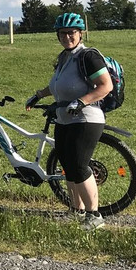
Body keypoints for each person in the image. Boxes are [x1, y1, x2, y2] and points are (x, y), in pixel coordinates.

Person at [25, 12, 114, 231]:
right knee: (67, 165)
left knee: (79, 165)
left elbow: (106, 85)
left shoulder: (89, 56)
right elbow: (58, 85)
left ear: (80, 33)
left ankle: (95, 216)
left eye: (71, 32)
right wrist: (39, 95)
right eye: (62, 33)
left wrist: (82, 101)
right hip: (65, 119)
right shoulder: (65, 57)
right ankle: (77, 210)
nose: (67, 37)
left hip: (86, 118)